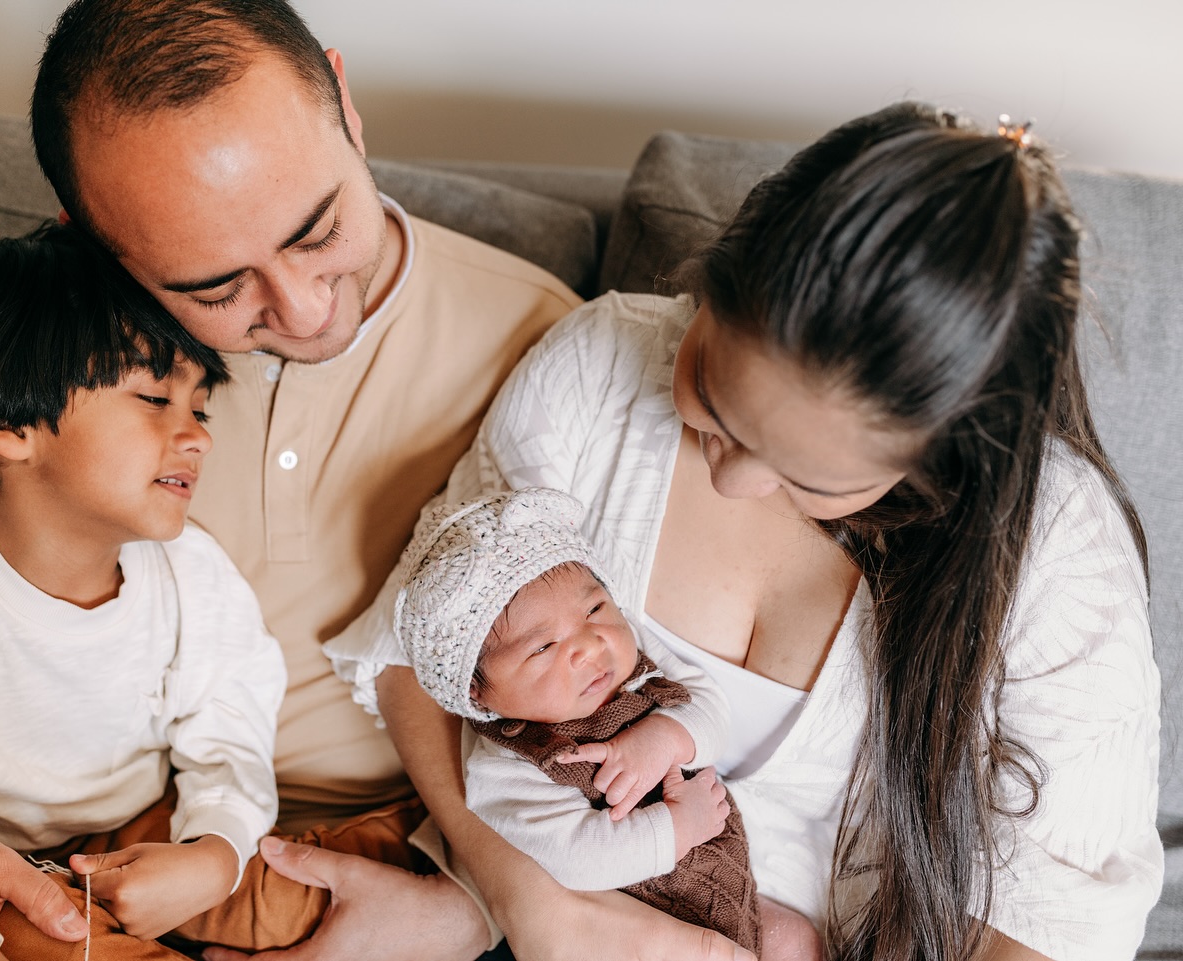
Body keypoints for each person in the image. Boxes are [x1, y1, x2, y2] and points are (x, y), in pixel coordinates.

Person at [0, 1, 714, 960]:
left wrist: (467, 901)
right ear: (87, 234)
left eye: (318, 227)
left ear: (342, 99)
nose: (298, 308)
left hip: (372, 852)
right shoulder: (68, 356)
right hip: (73, 855)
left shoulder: (548, 353)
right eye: (215, 287)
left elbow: (622, 672)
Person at [327, 103, 1163, 960]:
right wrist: (534, 907)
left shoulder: (1054, 546)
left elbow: (1056, 920)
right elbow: (412, 644)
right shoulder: (600, 370)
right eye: (713, 399)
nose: (733, 479)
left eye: (811, 479)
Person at [0, 222, 422, 961]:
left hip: (154, 826)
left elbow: (230, 722)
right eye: (154, 397)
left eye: (200, 406)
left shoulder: (189, 571)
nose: (199, 436)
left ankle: (441, 844)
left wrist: (213, 851)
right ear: (7, 421)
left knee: (298, 901)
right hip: (0, 868)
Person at [391, 485, 774, 956]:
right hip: (638, 923)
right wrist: (677, 827)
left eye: (594, 609)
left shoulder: (642, 667)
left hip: (737, 887)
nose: (591, 645)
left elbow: (710, 706)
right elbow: (576, 856)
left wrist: (666, 736)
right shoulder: (510, 768)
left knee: (796, 941)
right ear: (478, 693)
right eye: (543, 647)